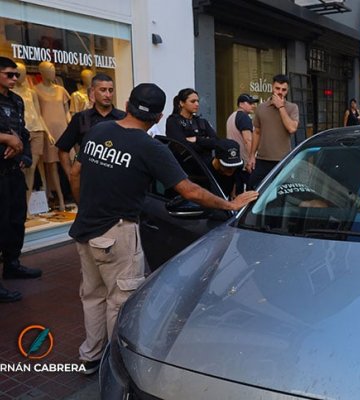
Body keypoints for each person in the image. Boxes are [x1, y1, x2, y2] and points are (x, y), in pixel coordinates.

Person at [68, 83, 259, 374]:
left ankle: (90, 356)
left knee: (92, 295)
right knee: (119, 302)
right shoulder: (149, 147)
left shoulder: (99, 131)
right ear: (158, 118)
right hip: (116, 232)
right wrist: (229, 205)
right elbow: (190, 191)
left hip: (84, 228)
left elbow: (75, 172)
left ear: (128, 103)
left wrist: (85, 207)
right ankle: (115, 366)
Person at [0, 56, 43, 303]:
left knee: (16, 221)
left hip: (14, 171)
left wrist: (25, 154)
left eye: (16, 75)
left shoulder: (16, 101)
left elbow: (23, 132)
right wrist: (6, 139)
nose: (15, 78)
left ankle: (12, 264)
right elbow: (12, 136)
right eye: (9, 74)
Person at [57, 73, 126, 179]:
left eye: (110, 90)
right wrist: (72, 177)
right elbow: (63, 149)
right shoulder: (81, 118)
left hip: (119, 179)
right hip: (89, 180)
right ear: (93, 92)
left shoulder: (123, 117)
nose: (108, 95)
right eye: (103, 90)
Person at [11, 61, 51, 212]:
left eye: (22, 72)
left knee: (32, 168)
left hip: (37, 130)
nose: (19, 76)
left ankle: (27, 206)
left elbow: (38, 114)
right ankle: (19, 205)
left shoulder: (31, 92)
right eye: (16, 73)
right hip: (20, 132)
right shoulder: (10, 94)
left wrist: (47, 132)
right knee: (20, 168)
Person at [247, 74, 299, 189]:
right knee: (253, 189)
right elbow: (257, 132)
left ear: (287, 91)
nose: (280, 92)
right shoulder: (261, 107)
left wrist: (281, 107)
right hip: (262, 159)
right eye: (277, 88)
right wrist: (251, 156)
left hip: (282, 160)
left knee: (281, 193)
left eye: (284, 90)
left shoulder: (292, 108)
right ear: (272, 88)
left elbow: (292, 128)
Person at [34, 61, 70, 211]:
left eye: (53, 69)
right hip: (48, 132)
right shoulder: (35, 90)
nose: (52, 72)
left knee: (70, 164)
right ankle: (60, 200)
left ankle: (77, 196)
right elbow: (38, 114)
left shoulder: (61, 90)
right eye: (49, 70)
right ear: (41, 72)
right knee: (52, 166)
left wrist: (71, 126)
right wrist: (47, 133)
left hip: (64, 129)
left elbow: (67, 111)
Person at [165, 88, 217, 164]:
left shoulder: (202, 122)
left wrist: (197, 139)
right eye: (193, 101)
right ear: (182, 103)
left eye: (197, 101)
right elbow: (181, 145)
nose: (197, 104)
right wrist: (205, 144)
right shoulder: (173, 121)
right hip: (184, 166)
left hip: (206, 166)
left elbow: (216, 142)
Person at [226, 93, 258, 194]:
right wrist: (251, 159)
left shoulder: (232, 117)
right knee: (248, 191)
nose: (253, 105)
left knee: (237, 190)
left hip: (234, 161)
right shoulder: (244, 117)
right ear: (241, 104)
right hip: (244, 163)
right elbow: (248, 140)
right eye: (250, 103)